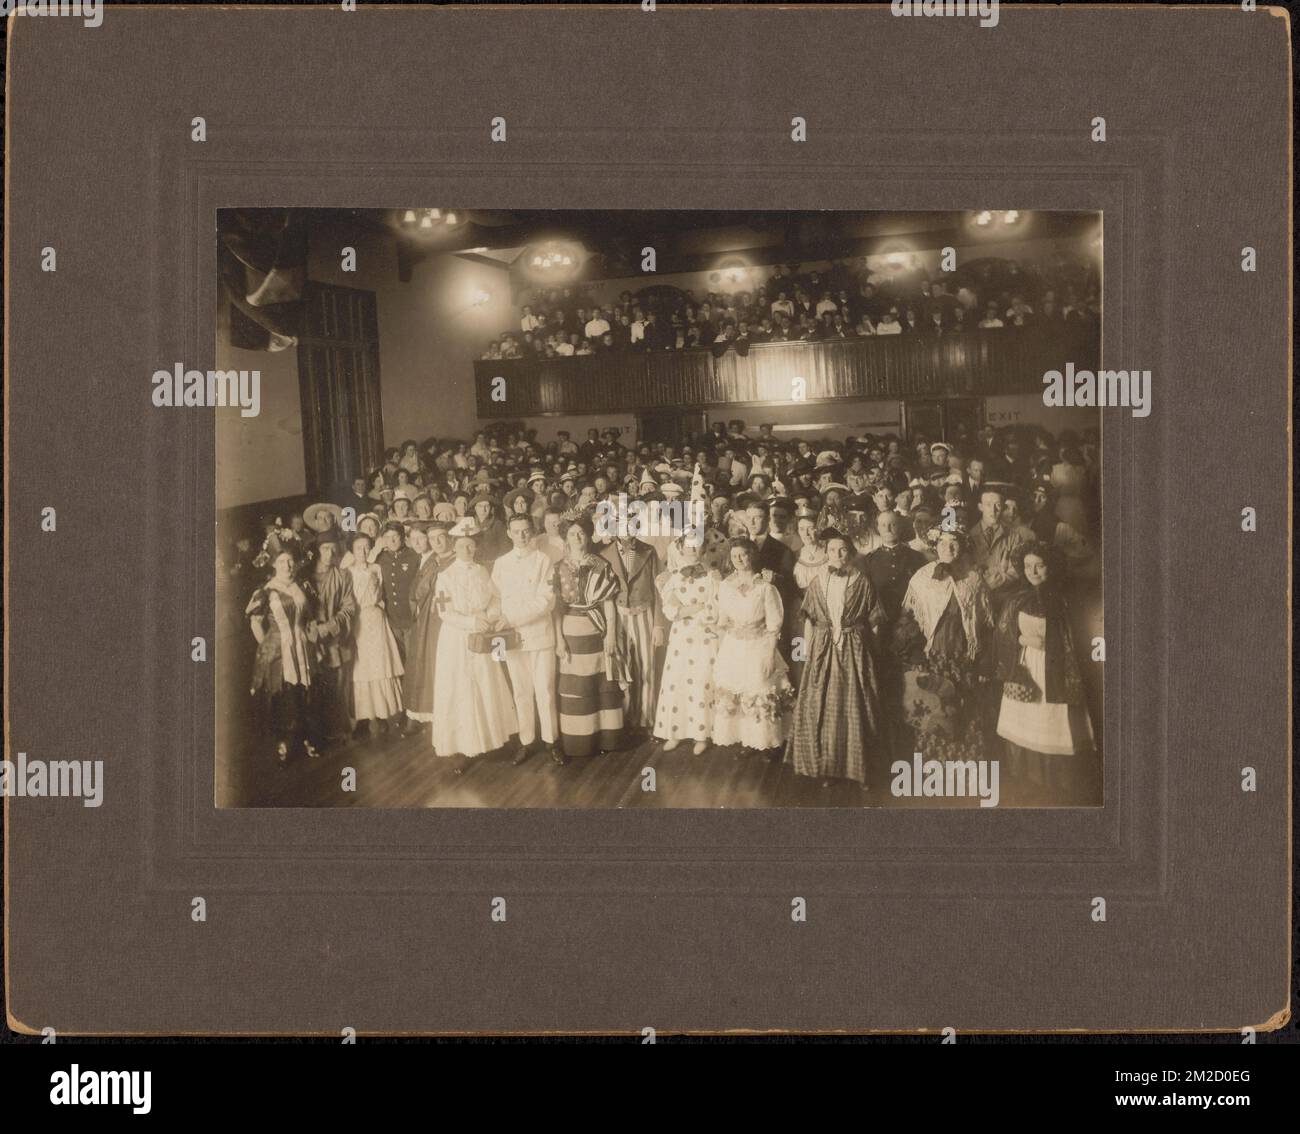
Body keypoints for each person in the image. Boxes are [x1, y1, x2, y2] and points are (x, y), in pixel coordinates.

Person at [994, 543, 1097, 799]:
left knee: (1052, 719)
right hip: (1026, 666)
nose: (1033, 571)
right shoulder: (1017, 598)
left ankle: (1057, 784)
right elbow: (1004, 635)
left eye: (1039, 565)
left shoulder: (1063, 599)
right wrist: (1023, 641)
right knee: (1024, 719)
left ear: (1050, 566)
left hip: (1055, 670)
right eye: (1028, 566)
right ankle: (1027, 780)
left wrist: (1048, 644)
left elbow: (1074, 639)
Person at [786, 529, 887, 788]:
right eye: (832, 550)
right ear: (826, 552)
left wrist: (870, 650)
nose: (838, 555)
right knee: (822, 702)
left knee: (856, 701)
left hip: (854, 646)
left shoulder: (862, 581)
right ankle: (827, 767)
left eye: (843, 550)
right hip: (822, 646)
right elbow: (808, 618)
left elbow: (875, 621)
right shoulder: (817, 581)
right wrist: (809, 651)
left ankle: (860, 767)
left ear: (850, 553)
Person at [894, 523, 995, 763]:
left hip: (963, 657)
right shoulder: (922, 577)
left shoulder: (974, 579)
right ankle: (933, 764)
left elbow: (986, 625)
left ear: (963, 546)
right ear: (934, 546)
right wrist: (916, 656)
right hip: (933, 657)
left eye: (954, 543)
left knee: (965, 709)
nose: (948, 548)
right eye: (942, 543)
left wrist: (982, 663)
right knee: (934, 708)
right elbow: (908, 619)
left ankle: (965, 765)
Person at [430, 519, 517, 772]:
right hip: (456, 639)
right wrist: (472, 621)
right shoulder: (445, 576)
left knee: (486, 685)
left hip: (481, 637)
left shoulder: (481, 571)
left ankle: (491, 740)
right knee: (459, 689)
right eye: (462, 546)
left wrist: (490, 616)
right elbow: (445, 612)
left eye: (471, 546)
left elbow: (494, 598)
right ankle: (461, 747)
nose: (467, 551)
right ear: (454, 547)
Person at [492, 514, 564, 766]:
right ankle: (526, 740)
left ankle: (551, 741)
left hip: (541, 636)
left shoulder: (544, 560)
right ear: (509, 533)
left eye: (525, 531)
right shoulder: (500, 564)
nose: (521, 535)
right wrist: (495, 618)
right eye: (516, 531)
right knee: (521, 692)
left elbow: (546, 601)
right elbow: (496, 599)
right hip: (513, 640)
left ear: (532, 532)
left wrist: (512, 618)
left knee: (544, 690)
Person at [552, 515, 626, 757]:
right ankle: (579, 742)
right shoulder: (558, 568)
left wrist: (611, 636)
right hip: (571, 632)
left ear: (588, 535)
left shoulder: (601, 565)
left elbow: (608, 604)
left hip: (597, 629)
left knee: (601, 684)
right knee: (577, 686)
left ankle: (607, 739)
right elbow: (556, 610)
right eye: (572, 533)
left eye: (581, 533)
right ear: (565, 538)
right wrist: (559, 640)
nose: (577, 537)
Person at [711, 538, 794, 753]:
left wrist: (768, 654)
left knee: (759, 689)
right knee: (736, 691)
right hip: (733, 646)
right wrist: (721, 651)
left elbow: (774, 625)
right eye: (734, 556)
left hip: (759, 644)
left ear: (752, 556)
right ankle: (745, 739)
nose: (738, 559)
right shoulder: (725, 586)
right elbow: (722, 620)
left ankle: (766, 742)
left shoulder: (765, 587)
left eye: (743, 554)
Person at [652, 534, 721, 754]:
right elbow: (671, 610)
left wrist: (694, 611)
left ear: (703, 549)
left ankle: (702, 734)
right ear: (680, 548)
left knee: (702, 681)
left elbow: (716, 606)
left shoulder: (713, 577)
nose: (692, 549)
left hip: (705, 634)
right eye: (687, 545)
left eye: (696, 545)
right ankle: (675, 731)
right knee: (677, 681)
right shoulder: (671, 578)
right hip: (681, 636)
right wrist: (692, 609)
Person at [246, 548, 314, 764]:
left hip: (300, 646)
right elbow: (255, 622)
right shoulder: (266, 591)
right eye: (282, 561)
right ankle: (283, 742)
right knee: (281, 694)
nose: (287, 565)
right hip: (277, 648)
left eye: (291, 560)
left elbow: (309, 616)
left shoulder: (301, 586)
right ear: (274, 564)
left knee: (302, 692)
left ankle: (304, 737)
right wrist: (268, 644)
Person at [600, 521, 666, 733]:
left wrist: (658, 624)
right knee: (621, 669)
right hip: (617, 617)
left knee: (646, 668)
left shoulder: (649, 551)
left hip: (644, 614)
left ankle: (646, 720)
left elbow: (659, 591)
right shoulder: (604, 554)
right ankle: (623, 721)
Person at [345, 533, 406, 738]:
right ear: (352, 551)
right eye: (358, 548)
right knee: (362, 669)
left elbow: (382, 593)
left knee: (379, 666)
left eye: (366, 547)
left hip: (377, 620)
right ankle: (362, 719)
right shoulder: (347, 572)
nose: (362, 552)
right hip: (358, 622)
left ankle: (380, 715)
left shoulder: (376, 568)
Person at [303, 537, 356, 751]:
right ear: (317, 550)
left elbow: (349, 606)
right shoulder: (303, 577)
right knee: (315, 687)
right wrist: (313, 628)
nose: (329, 553)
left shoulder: (342, 575)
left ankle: (339, 729)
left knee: (338, 684)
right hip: (312, 641)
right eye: (325, 548)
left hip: (335, 641)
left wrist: (332, 625)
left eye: (333, 549)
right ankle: (317, 733)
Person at [401, 524, 445, 729]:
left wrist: (413, 602)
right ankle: (419, 712)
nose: (418, 543)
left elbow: (420, 591)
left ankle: (428, 713)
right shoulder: (422, 560)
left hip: (431, 617)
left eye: (421, 538)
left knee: (428, 662)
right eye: (413, 539)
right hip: (422, 615)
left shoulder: (434, 562)